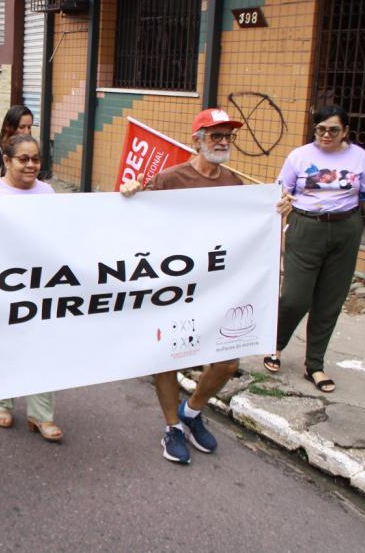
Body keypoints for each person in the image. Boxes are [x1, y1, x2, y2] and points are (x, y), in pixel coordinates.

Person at [120, 108, 292, 464]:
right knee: (166, 359)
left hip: (217, 288)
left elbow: (248, 234)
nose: (223, 141)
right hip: (175, 286)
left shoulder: (235, 185)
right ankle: (171, 428)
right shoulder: (169, 179)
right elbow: (136, 222)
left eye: (227, 135)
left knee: (227, 362)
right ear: (196, 141)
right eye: (215, 135)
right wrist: (131, 192)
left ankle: (192, 411)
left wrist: (276, 214)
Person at [265, 105, 365, 393]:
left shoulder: (360, 158)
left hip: (345, 229)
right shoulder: (299, 156)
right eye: (320, 128)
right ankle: (275, 345)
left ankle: (315, 365)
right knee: (295, 297)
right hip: (306, 228)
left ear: (345, 131)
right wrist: (283, 203)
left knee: (330, 301)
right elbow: (281, 193)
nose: (326, 134)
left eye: (333, 129)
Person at [0, 134, 63, 442]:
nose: (31, 165)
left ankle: (41, 415)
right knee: (4, 344)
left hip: (40, 285)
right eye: (23, 159)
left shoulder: (48, 192)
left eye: (36, 159)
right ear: (7, 161)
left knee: (43, 345)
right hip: (2, 286)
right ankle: (1, 401)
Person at [0, 106, 33, 185]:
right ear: (8, 127)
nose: (27, 132)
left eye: (29, 127)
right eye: (22, 127)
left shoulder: (32, 151)